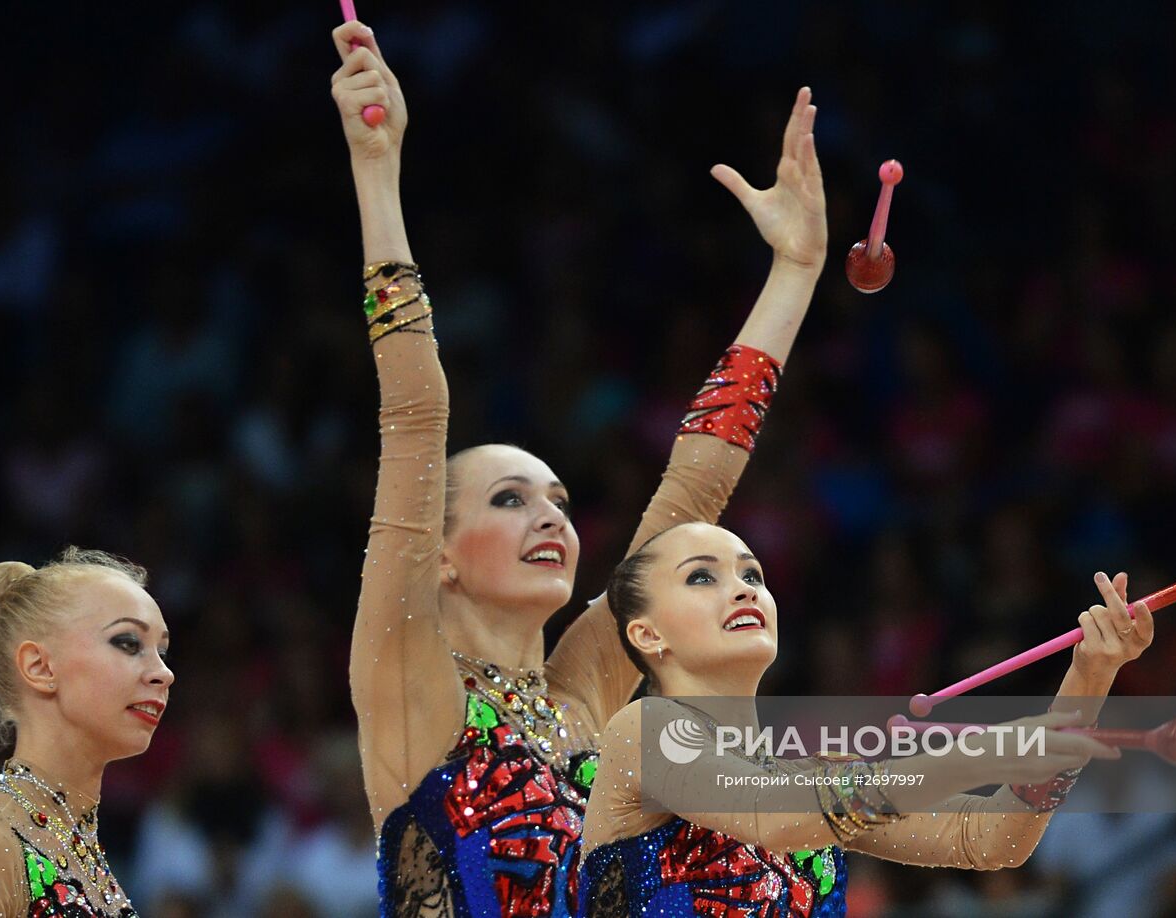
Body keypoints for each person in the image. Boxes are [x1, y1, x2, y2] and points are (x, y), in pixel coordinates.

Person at [330, 19, 830, 917]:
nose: (550, 518)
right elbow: (414, 419)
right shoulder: (410, 681)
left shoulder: (582, 694)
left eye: (557, 501)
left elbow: (693, 490)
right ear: (436, 553)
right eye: (510, 499)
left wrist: (793, 273)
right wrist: (378, 173)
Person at [580, 521, 1154, 916]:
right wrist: (982, 753)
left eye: (752, 575)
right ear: (647, 634)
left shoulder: (815, 776)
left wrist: (1090, 676)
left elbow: (991, 839)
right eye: (702, 576)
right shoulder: (642, 733)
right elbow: (767, 815)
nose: (742, 590)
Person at [0, 548, 173, 917]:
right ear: (40, 666)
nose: (164, 673)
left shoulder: (80, 848)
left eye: (161, 651)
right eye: (128, 643)